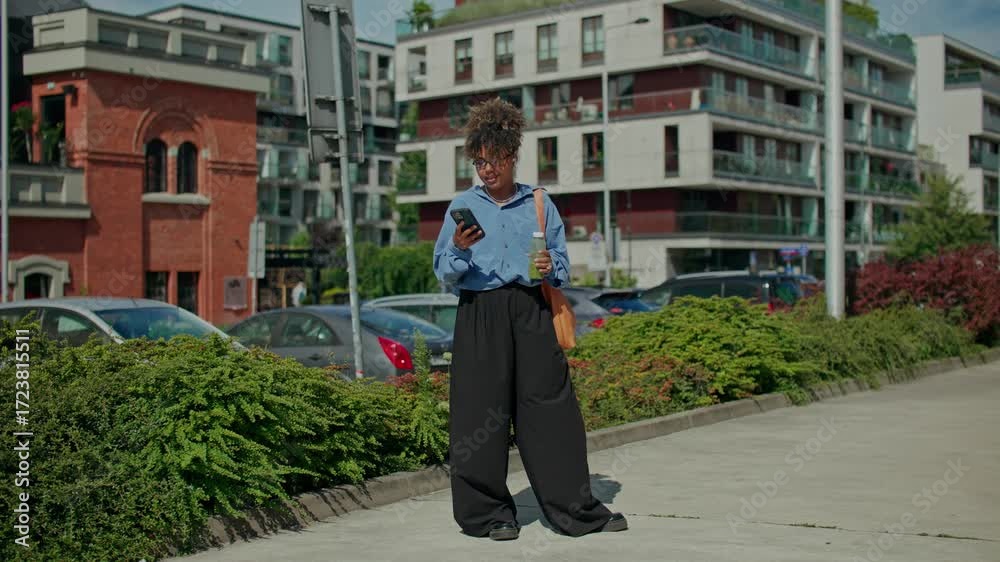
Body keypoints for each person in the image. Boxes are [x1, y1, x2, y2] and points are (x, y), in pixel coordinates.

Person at [433, 98, 627, 541]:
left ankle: (575, 509)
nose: (486, 170)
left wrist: (549, 266)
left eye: (494, 160)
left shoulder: (538, 202)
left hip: (530, 309)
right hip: (480, 312)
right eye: (479, 162)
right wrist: (459, 248)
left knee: (552, 411)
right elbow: (444, 270)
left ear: (512, 156)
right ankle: (489, 515)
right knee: (479, 414)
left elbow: (562, 264)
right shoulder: (462, 205)